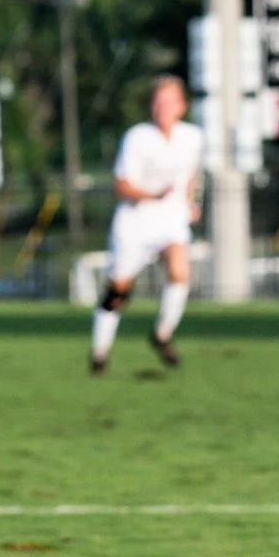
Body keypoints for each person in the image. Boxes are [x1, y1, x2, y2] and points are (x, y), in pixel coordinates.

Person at [90, 75, 205, 374]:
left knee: (179, 270)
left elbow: (190, 175)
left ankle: (162, 334)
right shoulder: (137, 138)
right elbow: (122, 185)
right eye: (156, 101)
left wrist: (190, 203)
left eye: (167, 101)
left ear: (181, 106)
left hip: (170, 220)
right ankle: (100, 352)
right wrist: (151, 194)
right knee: (119, 289)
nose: (161, 107)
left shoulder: (192, 137)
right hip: (136, 221)